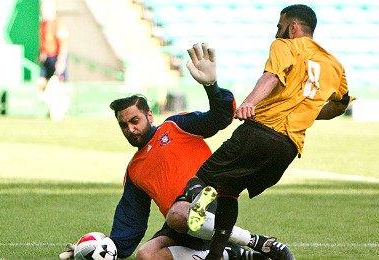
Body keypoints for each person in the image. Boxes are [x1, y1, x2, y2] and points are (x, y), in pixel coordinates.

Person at [60, 43, 291, 260]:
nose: (130, 129)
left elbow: (221, 117)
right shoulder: (134, 171)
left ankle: (258, 242)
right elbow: (130, 224)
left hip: (213, 201)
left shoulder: (176, 126)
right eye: (124, 125)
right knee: (147, 255)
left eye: (135, 120)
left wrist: (212, 86)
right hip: (180, 224)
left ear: (149, 116)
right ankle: (237, 254)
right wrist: (91, 249)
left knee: (178, 214)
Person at [186, 5, 354, 260]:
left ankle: (195, 204)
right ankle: (216, 255)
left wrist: (249, 102)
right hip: (287, 149)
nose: (277, 31)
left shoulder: (284, 46)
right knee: (230, 190)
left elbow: (271, 77)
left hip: (260, 132)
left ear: (293, 26)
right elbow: (340, 105)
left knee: (200, 179)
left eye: (280, 26)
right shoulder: (335, 66)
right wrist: (309, 112)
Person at [38, 0, 68, 93]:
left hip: (56, 58)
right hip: (46, 58)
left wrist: (61, 61)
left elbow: (63, 45)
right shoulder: (43, 24)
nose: (43, 10)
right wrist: (42, 53)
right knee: (41, 82)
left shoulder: (58, 24)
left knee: (58, 84)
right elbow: (43, 41)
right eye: (42, 8)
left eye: (45, 8)